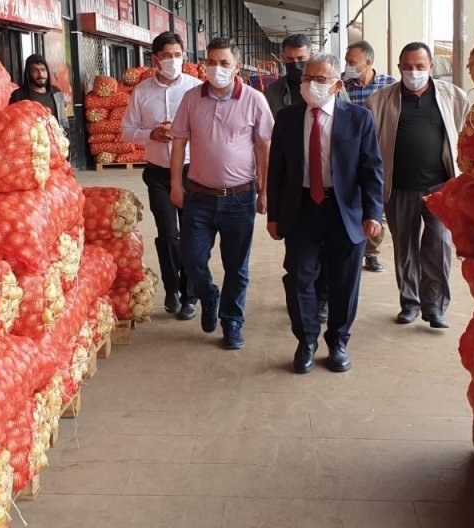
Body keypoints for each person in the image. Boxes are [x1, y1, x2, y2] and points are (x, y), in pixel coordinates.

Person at [267, 54, 384, 374]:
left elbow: (371, 169)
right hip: (302, 208)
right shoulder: (288, 118)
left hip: (345, 210)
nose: (310, 85)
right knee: (299, 278)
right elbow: (277, 170)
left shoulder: (358, 118)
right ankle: (306, 341)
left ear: (336, 85)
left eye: (319, 80)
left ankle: (338, 342)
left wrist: (373, 212)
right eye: (306, 79)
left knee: (344, 281)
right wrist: (273, 216)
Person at [170, 37, 274, 351]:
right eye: (211, 62)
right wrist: (176, 183)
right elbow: (178, 143)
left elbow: (263, 146)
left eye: (224, 63)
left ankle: (232, 323)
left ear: (237, 65)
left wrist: (264, 188)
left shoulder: (254, 100)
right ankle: (209, 295)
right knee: (191, 258)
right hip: (199, 196)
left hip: (240, 197)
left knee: (236, 267)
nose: (216, 69)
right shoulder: (191, 98)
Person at [366, 42, 470, 329]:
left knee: (438, 245)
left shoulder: (453, 97)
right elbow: (369, 147)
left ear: (431, 68)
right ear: (399, 68)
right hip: (398, 188)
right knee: (405, 248)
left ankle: (434, 307)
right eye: (408, 67)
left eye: (420, 67)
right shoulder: (379, 101)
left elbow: (467, 136)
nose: (414, 72)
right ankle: (409, 303)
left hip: (440, 188)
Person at [265, 34, 349, 324]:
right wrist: (270, 205)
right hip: (297, 193)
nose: (297, 67)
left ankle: (322, 300)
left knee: (331, 261)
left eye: (301, 60)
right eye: (290, 61)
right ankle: (306, 321)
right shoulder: (276, 97)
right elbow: (274, 157)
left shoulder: (343, 101)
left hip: (335, 194)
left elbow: (351, 138)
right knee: (299, 266)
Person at [122, 32, 203, 320]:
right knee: (169, 234)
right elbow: (126, 131)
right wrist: (151, 133)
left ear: (185, 56)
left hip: (193, 171)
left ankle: (190, 294)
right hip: (158, 173)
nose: (172, 60)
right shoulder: (142, 92)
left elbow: (208, 128)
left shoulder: (196, 89)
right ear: (155, 59)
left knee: (193, 235)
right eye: (167, 55)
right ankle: (172, 290)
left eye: (177, 54)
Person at [343, 40, 396, 274]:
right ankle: (353, 244)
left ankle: (372, 252)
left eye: (352, 62)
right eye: (347, 62)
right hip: (349, 152)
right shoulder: (343, 86)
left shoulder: (389, 85)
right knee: (352, 200)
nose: (348, 66)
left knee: (376, 202)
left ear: (368, 63)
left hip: (378, 150)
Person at [9, 54, 66, 124]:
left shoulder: (56, 92)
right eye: (35, 71)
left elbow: (63, 121)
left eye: (43, 70)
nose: (41, 75)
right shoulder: (18, 96)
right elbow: (13, 124)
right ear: (28, 73)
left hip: (56, 134)